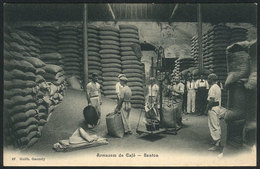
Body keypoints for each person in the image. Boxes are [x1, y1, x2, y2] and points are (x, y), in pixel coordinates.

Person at [207, 73, 223, 151]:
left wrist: (206, 108)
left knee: (213, 126)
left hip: (213, 108)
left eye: (208, 78)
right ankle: (218, 142)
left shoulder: (213, 88)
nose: (207, 80)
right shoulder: (217, 87)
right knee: (217, 124)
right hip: (217, 108)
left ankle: (216, 143)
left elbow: (211, 100)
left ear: (212, 79)